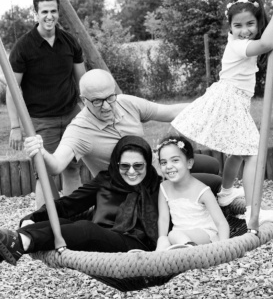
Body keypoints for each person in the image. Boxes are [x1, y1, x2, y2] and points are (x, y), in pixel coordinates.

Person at [0, 136, 168, 274]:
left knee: (87, 229)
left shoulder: (158, 186)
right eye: (125, 166)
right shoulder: (106, 180)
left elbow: (193, 182)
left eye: (138, 166)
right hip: (100, 239)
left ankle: (18, 242)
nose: (131, 172)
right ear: (116, 164)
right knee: (61, 221)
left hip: (135, 248)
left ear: (148, 164)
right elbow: (69, 204)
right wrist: (33, 217)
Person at [23, 69, 234, 203]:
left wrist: (208, 105)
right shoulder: (78, 130)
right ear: (83, 100)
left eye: (109, 97)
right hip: (131, 185)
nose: (106, 106)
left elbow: (167, 112)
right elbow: (56, 166)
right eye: (97, 101)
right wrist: (41, 153)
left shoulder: (126, 102)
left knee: (211, 165)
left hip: (155, 166)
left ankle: (196, 202)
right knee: (214, 182)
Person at [171, 0, 273, 225]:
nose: (245, 30)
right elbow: (266, 43)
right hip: (230, 99)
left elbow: (263, 38)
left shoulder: (240, 41)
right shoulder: (238, 46)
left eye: (250, 24)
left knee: (238, 151)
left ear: (257, 23)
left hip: (233, 99)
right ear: (230, 28)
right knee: (253, 153)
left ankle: (225, 193)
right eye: (238, 25)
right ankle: (253, 211)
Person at [7, 0, 86, 207]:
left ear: (58, 12)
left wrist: (88, 112)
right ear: (35, 14)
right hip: (41, 121)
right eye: (44, 12)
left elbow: (84, 82)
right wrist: (15, 126)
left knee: (72, 168)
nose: (49, 16)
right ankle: (44, 225)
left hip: (72, 117)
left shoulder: (69, 42)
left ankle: (73, 219)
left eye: (53, 11)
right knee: (44, 174)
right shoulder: (23, 47)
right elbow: (12, 90)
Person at [154, 136, 229, 251]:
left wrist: (223, 248)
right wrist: (162, 239)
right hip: (179, 238)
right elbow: (163, 219)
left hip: (205, 234)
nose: (168, 166)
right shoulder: (164, 187)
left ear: (189, 163)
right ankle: (154, 262)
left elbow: (221, 223)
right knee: (163, 239)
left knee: (173, 235)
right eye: (163, 162)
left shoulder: (203, 191)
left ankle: (191, 252)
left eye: (175, 160)